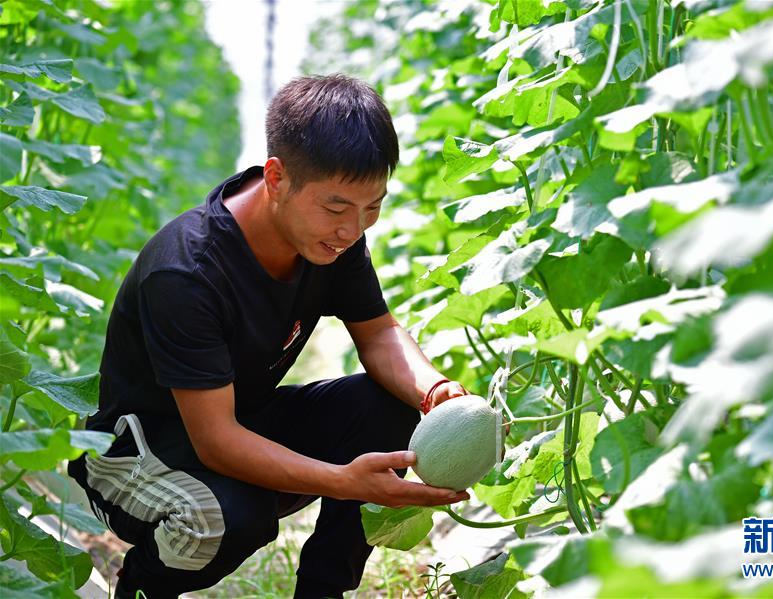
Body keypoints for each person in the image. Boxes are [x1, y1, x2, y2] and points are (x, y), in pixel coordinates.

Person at [67, 74, 471, 599]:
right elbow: (217, 441)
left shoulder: (333, 241)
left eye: (372, 207)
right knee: (231, 517)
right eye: (336, 208)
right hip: (132, 452)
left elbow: (379, 335)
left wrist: (437, 392)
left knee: (388, 406)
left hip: (235, 422)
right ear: (277, 178)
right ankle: (144, 587)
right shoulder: (188, 272)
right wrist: (344, 479)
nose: (354, 229)